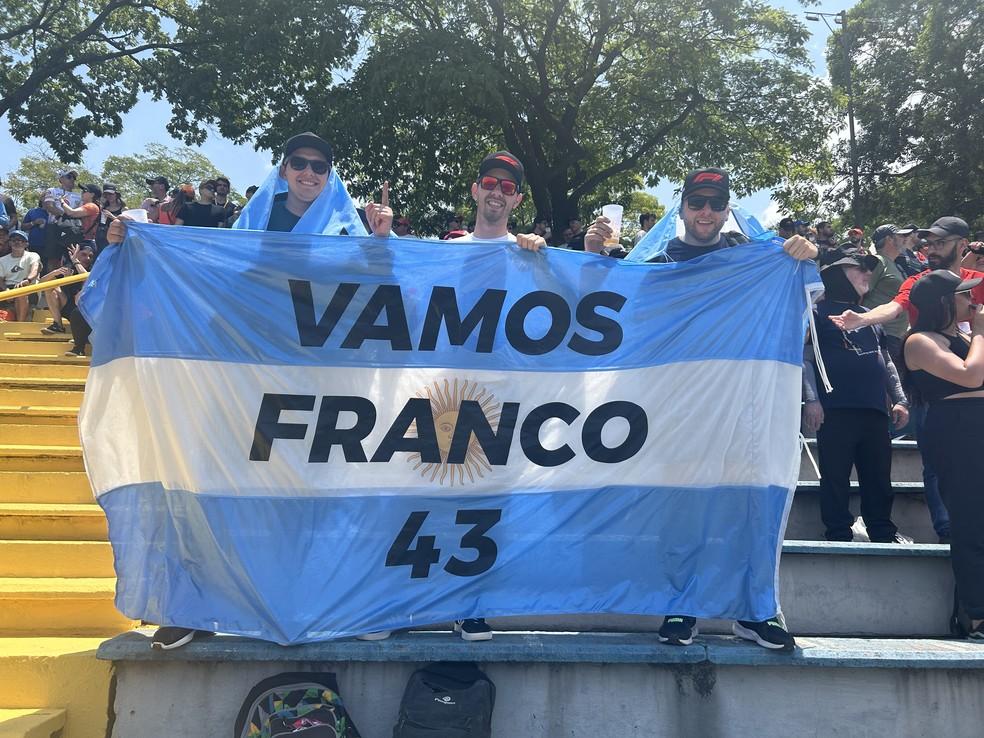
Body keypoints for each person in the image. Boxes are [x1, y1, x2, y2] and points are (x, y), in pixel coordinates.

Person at [585, 167, 816, 651]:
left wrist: (804, 254)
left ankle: (756, 610)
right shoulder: (657, 260)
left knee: (751, 507)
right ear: (682, 207)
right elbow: (609, 306)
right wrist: (595, 257)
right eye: (697, 202)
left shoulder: (751, 257)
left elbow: (808, 293)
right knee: (682, 514)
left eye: (715, 202)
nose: (706, 212)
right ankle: (681, 605)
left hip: (741, 407)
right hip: (675, 407)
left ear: (728, 208)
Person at [357, 150, 545, 644]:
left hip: (500, 399)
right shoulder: (447, 250)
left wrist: (545, 256)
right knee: (414, 501)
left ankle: (469, 604)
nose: (497, 193)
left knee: (481, 506)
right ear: (475, 191)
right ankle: (391, 605)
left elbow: (573, 296)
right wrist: (384, 241)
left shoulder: (530, 255)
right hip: (438, 396)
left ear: (517, 199)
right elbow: (399, 289)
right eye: (490, 183)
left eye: (508, 188)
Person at [830, 217, 984, 544]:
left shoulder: (977, 280)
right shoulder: (918, 282)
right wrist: (861, 319)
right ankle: (947, 529)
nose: (931, 249)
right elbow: (891, 309)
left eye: (940, 242)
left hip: (974, 391)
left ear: (961, 244)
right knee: (935, 462)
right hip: (936, 383)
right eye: (927, 242)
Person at [803, 247, 911, 544]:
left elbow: (886, 359)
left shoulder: (870, 316)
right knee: (835, 476)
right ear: (838, 273)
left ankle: (882, 531)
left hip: (875, 408)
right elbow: (805, 357)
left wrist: (899, 398)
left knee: (878, 477)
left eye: (869, 268)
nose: (867, 274)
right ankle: (838, 532)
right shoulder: (816, 312)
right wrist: (811, 398)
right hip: (835, 408)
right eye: (859, 268)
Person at [902, 270, 984, 639]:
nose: (973, 300)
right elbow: (969, 376)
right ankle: (977, 613)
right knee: (970, 520)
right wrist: (981, 332)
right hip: (956, 430)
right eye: (964, 295)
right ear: (943, 302)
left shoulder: (965, 337)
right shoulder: (919, 341)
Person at [865, 225, 910, 367]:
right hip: (881, 336)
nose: (905, 239)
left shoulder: (895, 265)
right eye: (901, 236)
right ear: (889, 239)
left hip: (895, 336)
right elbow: (861, 293)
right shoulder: (877, 261)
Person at [39, 244, 94, 336]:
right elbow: (41, 284)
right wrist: (54, 273)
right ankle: (58, 325)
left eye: (90, 256)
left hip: (84, 313)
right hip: (69, 308)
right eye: (84, 254)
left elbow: (88, 279)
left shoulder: (94, 268)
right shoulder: (69, 268)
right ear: (77, 254)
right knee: (50, 286)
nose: (87, 258)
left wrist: (76, 261)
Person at [0, 230, 42, 321]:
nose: (17, 242)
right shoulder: (2, 260)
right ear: (10, 243)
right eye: (14, 240)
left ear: (26, 244)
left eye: (21, 240)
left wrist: (28, 280)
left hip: (28, 288)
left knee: (21, 292)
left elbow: (34, 270)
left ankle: (21, 323)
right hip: (8, 289)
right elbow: (0, 280)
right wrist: (6, 291)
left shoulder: (33, 256)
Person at [58, 184, 102, 251]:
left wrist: (62, 202)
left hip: (85, 242)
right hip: (81, 240)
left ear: (92, 195)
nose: (82, 193)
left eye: (85, 191)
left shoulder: (91, 206)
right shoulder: (87, 205)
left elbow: (71, 212)